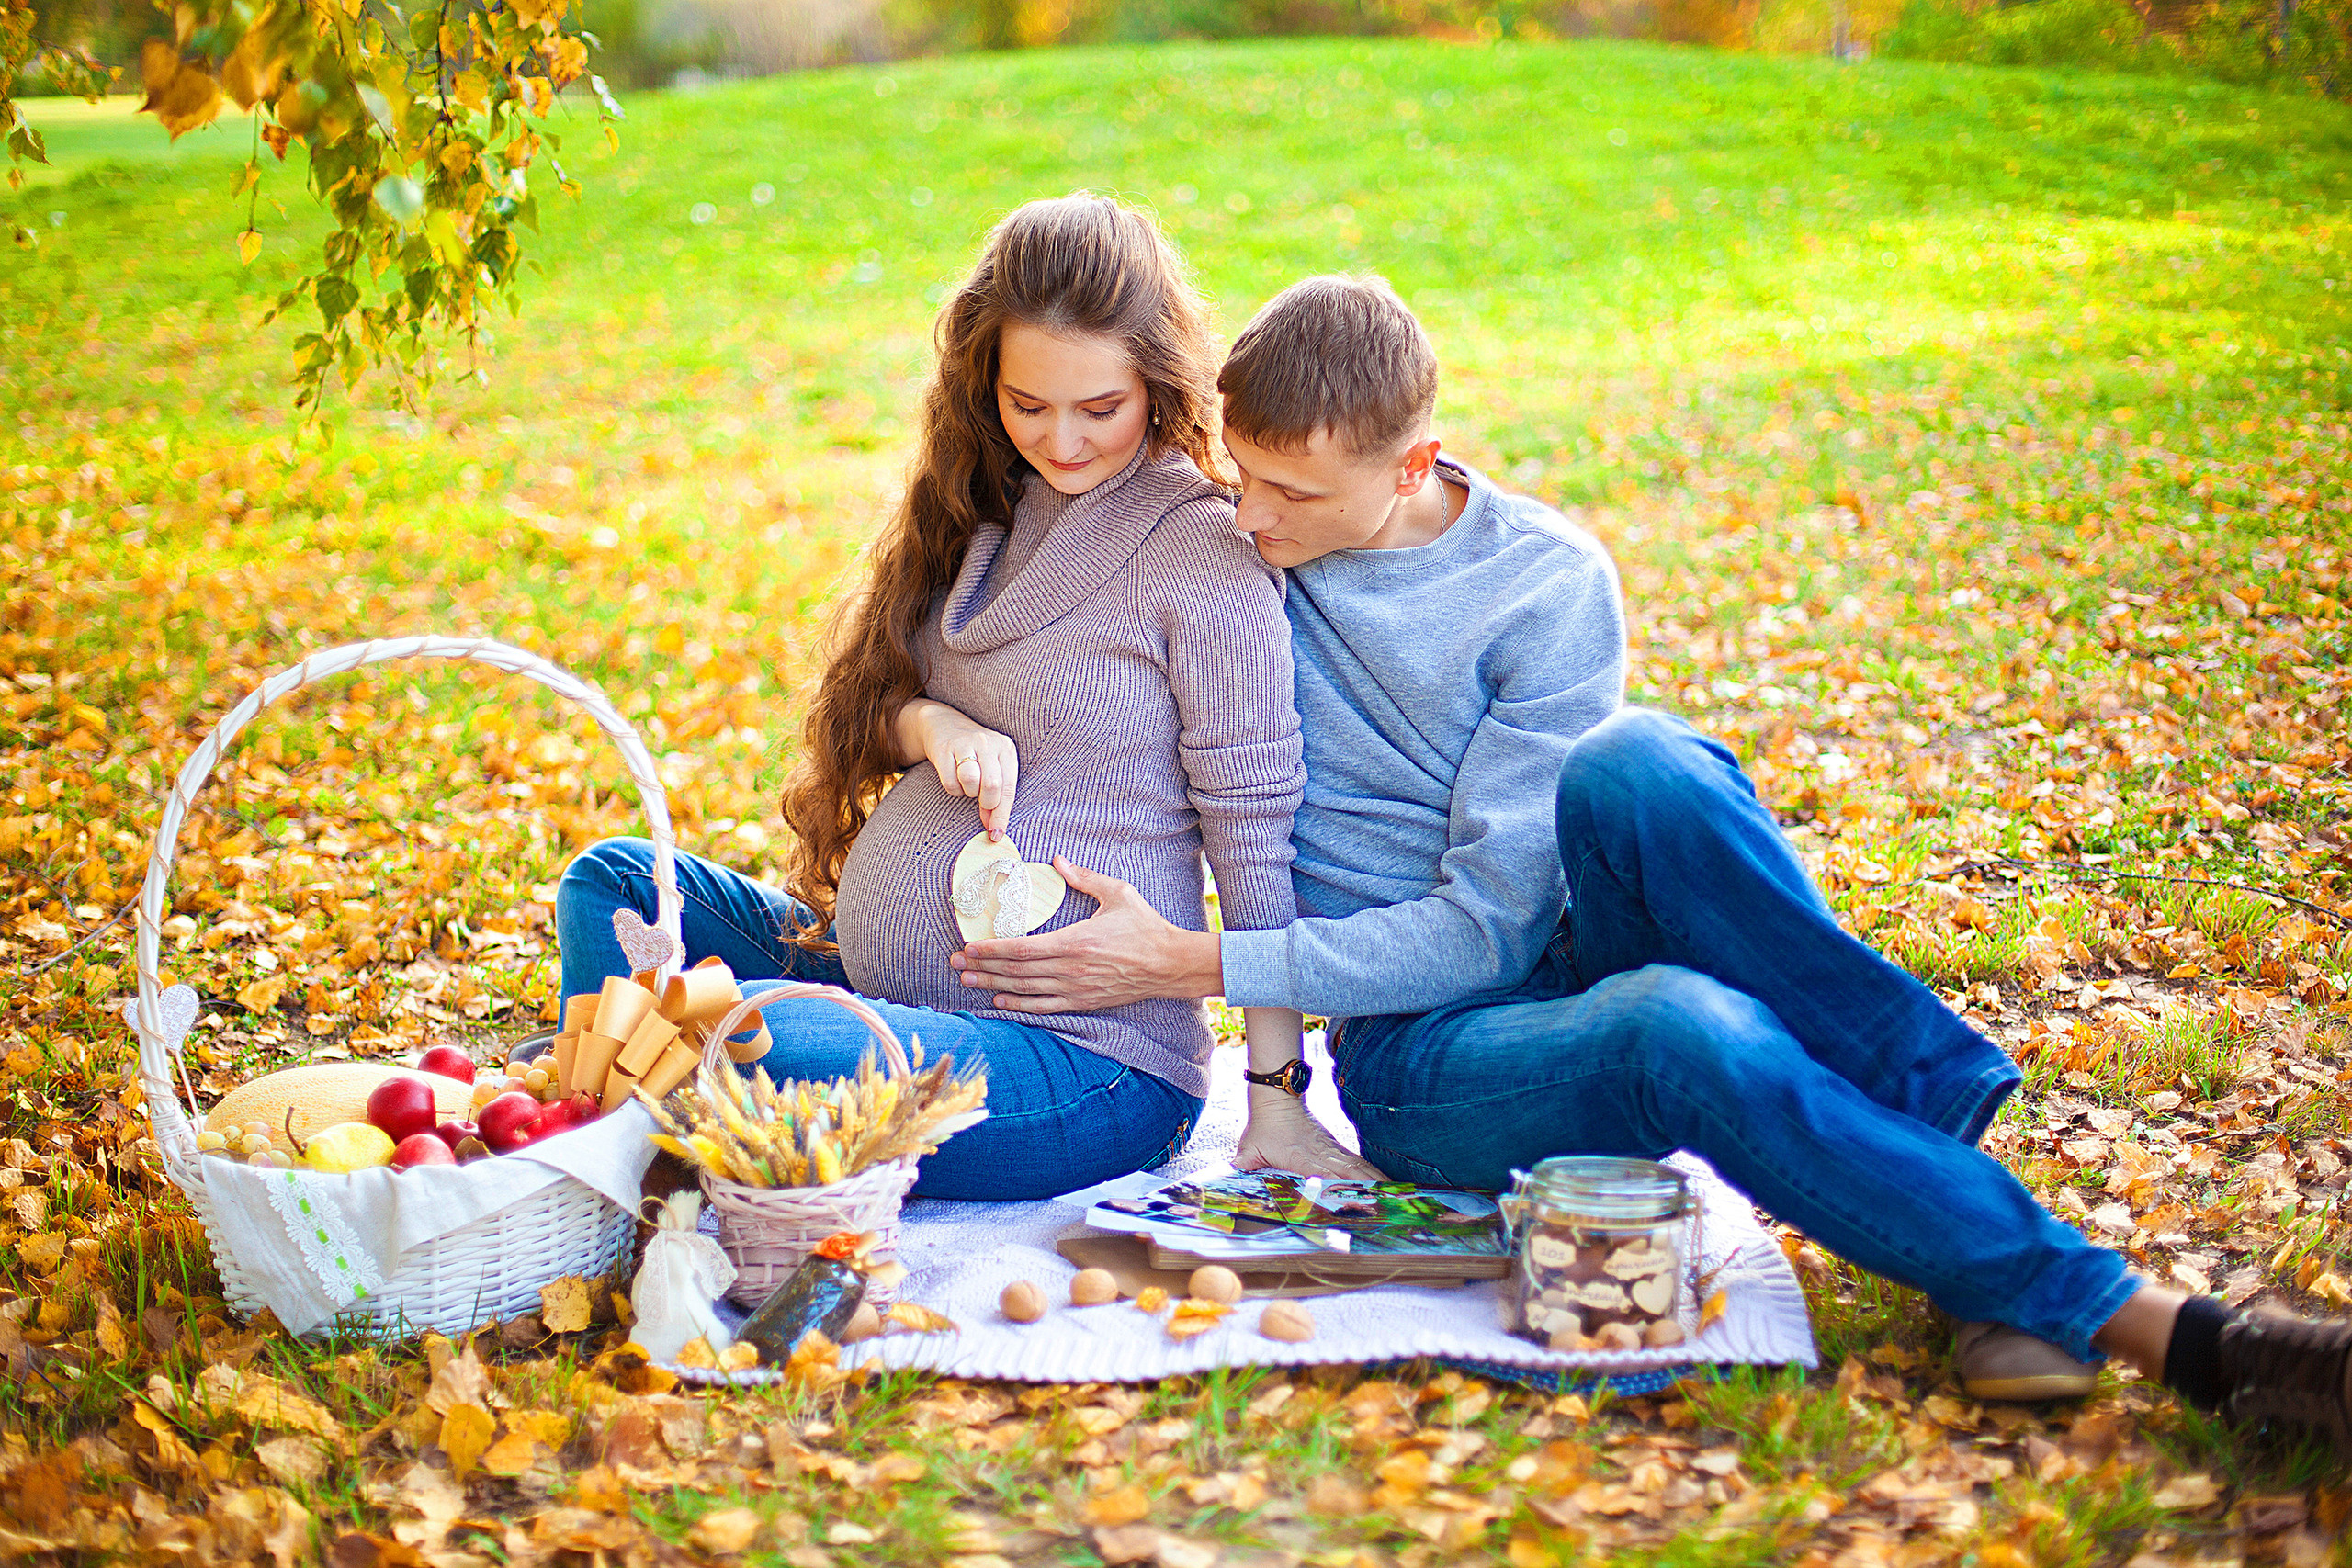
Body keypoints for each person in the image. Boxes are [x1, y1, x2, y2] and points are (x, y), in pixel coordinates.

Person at [948, 273, 2352, 1449]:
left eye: (1293, 494)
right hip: (1426, 1063)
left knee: (1643, 761)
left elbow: (1493, 931)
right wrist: (932, 714)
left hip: (1523, 943)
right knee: (1687, 1027)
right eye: (1242, 477)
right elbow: (972, 605)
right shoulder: (1232, 549)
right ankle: (2188, 1338)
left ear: (1417, 464)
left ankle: (1933, 1173)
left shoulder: (1547, 582)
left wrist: (1192, 959)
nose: (1249, 523)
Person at [554, 194, 1310, 1201]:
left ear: (1159, 385)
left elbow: (1252, 836)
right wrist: (933, 722)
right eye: (1027, 403)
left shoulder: (1203, 552)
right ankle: (617, 1118)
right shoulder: (984, 505)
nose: (1064, 441)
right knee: (614, 888)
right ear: (983, 381)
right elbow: (880, 707)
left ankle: (616, 1127)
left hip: (1085, 1064)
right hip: (886, 995)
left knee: (743, 1031)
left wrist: (1276, 1093)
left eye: (1100, 409)